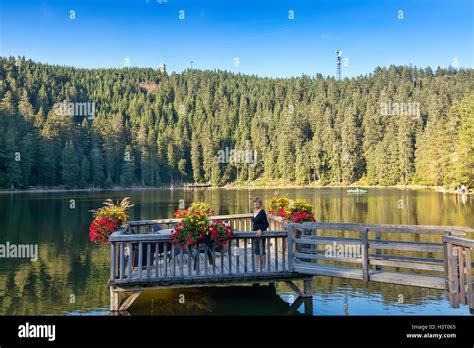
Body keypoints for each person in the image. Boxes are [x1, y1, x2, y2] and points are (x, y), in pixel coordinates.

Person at [251, 197, 269, 271]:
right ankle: (256, 267)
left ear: (260, 204)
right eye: (255, 202)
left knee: (262, 250)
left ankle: (263, 267)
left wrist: (261, 230)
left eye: (257, 202)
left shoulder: (262, 212)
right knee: (256, 250)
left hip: (261, 234)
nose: (256, 203)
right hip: (254, 234)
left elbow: (266, 224)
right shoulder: (254, 211)